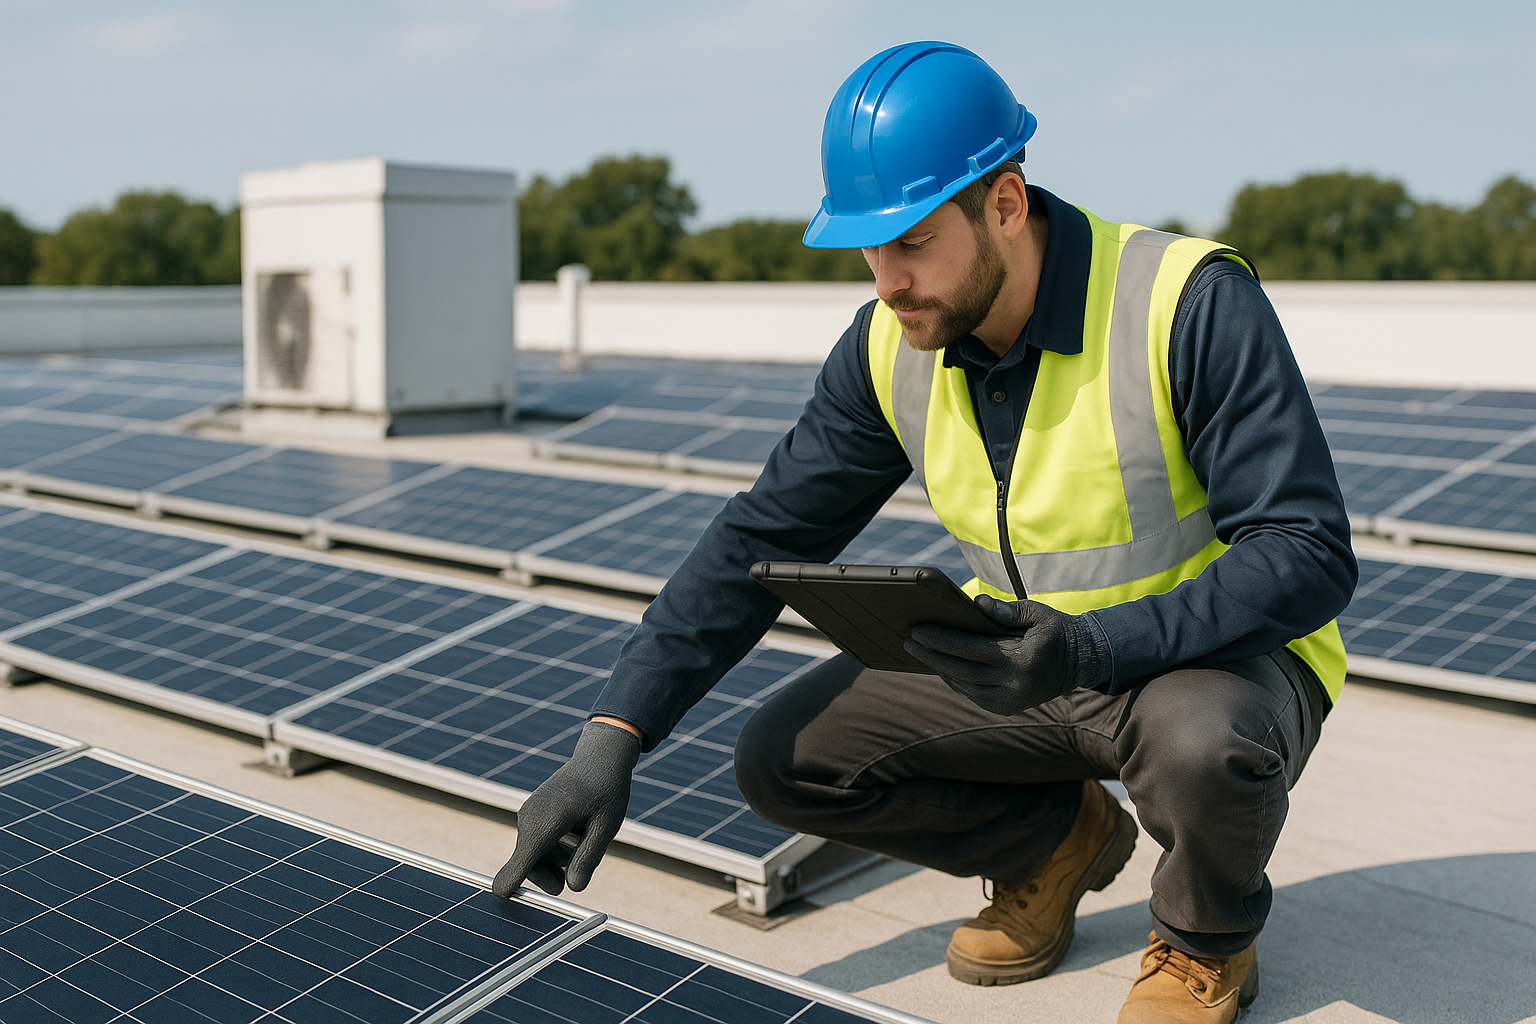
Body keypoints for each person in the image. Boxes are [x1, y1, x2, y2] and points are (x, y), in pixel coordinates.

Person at [493, 41, 1355, 1024]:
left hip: (1211, 665)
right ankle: (1050, 844)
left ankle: (1204, 943)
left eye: (909, 241)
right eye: (868, 250)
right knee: (786, 754)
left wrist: (1094, 642)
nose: (887, 280)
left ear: (1005, 204)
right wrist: (615, 734)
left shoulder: (1182, 301)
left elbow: (1309, 553)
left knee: (1204, 744)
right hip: (1032, 666)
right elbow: (756, 537)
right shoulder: (889, 345)